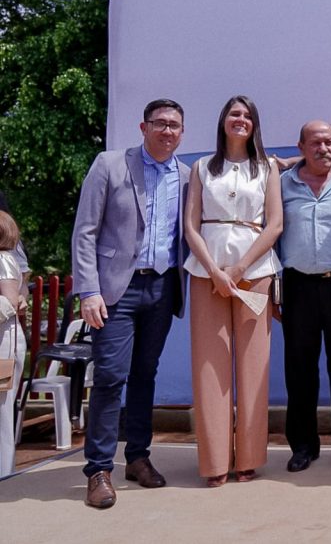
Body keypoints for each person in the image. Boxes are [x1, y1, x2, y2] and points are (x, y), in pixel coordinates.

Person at [71, 98, 190, 508]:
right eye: (160, 123)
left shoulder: (187, 176)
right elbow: (85, 231)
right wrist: (88, 290)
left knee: (145, 375)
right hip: (114, 291)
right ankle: (98, 470)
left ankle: (138, 458)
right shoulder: (110, 165)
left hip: (162, 288)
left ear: (181, 132)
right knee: (110, 377)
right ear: (143, 128)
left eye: (174, 125)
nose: (167, 131)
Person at [183, 95, 283, 487]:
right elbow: (191, 226)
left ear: (255, 124)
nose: (240, 120)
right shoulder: (201, 168)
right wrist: (214, 270)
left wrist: (240, 268)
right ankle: (214, 462)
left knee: (253, 367)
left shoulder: (268, 167)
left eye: (247, 115)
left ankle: (250, 459)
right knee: (210, 370)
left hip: (255, 273)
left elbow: (274, 224)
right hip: (207, 275)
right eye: (233, 114)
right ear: (223, 121)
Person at [279, 120, 331, 472]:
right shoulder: (282, 184)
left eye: (329, 141)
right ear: (300, 147)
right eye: (314, 143)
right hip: (298, 286)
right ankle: (302, 446)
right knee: (299, 370)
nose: (323, 149)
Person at [0, 211, 28, 478]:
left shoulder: (3, 261)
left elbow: (9, 302)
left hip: (3, 344)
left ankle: (4, 471)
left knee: (1, 409)